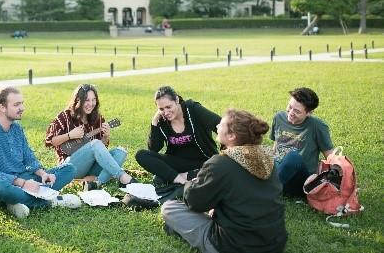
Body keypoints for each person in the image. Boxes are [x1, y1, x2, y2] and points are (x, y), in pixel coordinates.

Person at [162, 109, 287, 253]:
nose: (216, 126)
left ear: (232, 136)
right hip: (275, 244)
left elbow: (194, 202)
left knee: (169, 208)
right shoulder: (266, 157)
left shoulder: (220, 164)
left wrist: (192, 182)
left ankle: (183, 231)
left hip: (233, 246)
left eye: (221, 124)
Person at [0, 86, 81, 219]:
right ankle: (52, 200)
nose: (22, 108)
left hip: (23, 177)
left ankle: (14, 202)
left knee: (69, 169)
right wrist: (23, 184)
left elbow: (29, 158)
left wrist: (43, 174)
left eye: (22, 103)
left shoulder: (17, 129)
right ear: (2, 107)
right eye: (17, 104)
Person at [45, 84, 137, 191]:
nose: (91, 104)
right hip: (70, 166)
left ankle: (96, 182)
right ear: (78, 100)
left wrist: (106, 136)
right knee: (95, 144)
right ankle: (123, 177)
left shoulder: (97, 118)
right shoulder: (64, 116)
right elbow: (50, 141)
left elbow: (101, 150)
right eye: (87, 100)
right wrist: (69, 135)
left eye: (93, 100)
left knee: (121, 152)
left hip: (91, 165)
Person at [135, 86, 221, 188]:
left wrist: (225, 151)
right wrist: (154, 122)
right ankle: (181, 180)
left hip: (204, 162)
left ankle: (177, 177)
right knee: (141, 155)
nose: (166, 112)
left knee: (217, 169)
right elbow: (153, 149)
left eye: (168, 107)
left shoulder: (193, 109)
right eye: (161, 109)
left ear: (176, 100)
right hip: (178, 163)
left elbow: (221, 125)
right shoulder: (162, 120)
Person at [271, 87, 334, 197]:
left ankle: (264, 193)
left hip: (300, 181)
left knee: (293, 157)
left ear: (309, 113)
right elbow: (276, 145)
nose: (290, 113)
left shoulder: (317, 126)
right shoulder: (279, 117)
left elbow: (331, 158)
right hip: (279, 170)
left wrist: (341, 181)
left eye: (297, 111)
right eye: (290, 107)